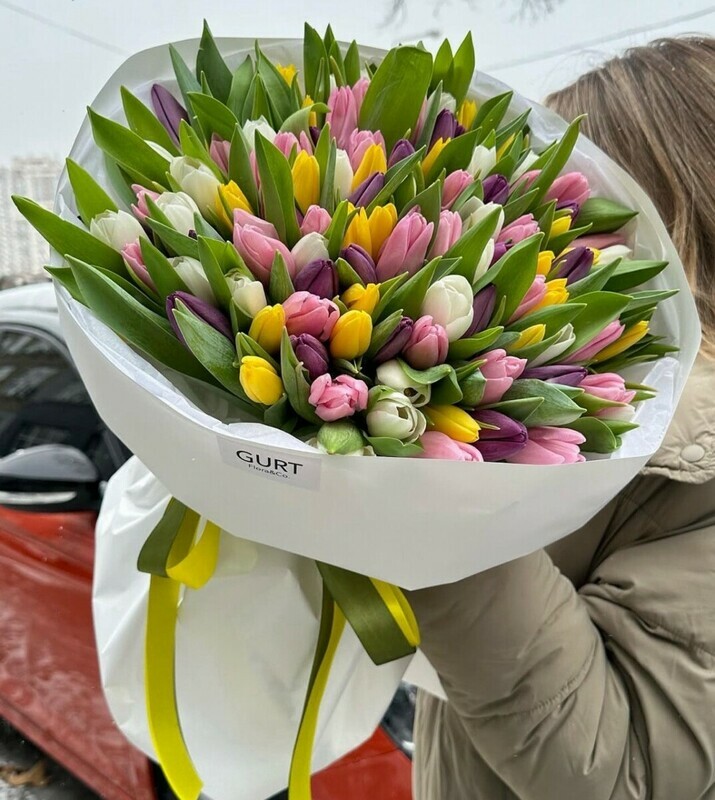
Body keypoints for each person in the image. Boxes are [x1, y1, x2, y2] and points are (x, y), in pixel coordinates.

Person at [409, 36, 715, 800]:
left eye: (568, 206)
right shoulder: (594, 403)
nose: (534, 232)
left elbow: (622, 770)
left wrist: (433, 494)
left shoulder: (691, 456)